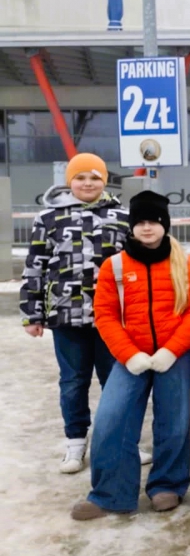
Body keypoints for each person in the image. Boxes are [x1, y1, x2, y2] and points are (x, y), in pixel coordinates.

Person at [71, 192, 190, 519]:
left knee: (173, 421)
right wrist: (128, 354)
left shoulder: (185, 263)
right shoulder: (115, 266)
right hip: (130, 356)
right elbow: (104, 314)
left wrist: (172, 350)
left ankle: (167, 486)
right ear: (132, 227)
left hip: (174, 356)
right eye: (141, 223)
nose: (147, 228)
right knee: (112, 420)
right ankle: (109, 493)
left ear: (165, 225)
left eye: (154, 222)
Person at [21, 154, 129, 474]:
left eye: (94, 177)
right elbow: (35, 265)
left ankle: (121, 439)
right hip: (66, 315)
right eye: (80, 177)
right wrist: (33, 313)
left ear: (104, 181)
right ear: (69, 181)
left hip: (112, 315)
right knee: (73, 381)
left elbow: (135, 265)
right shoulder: (49, 217)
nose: (87, 183)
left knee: (118, 380)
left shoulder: (122, 216)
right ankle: (75, 441)